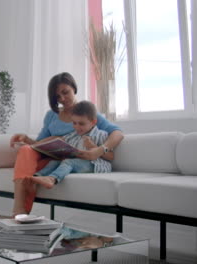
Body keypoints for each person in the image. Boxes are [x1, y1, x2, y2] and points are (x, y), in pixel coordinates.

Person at [9, 72, 123, 216]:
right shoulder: (51, 115)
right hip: (51, 158)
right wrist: (26, 139)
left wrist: (99, 150)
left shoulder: (86, 112)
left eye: (65, 92)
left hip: (71, 160)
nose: (62, 99)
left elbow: (117, 133)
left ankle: (19, 214)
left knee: (39, 165)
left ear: (74, 88)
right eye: (57, 96)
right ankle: (20, 207)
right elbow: (38, 144)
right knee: (26, 150)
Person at [32, 100, 112, 189]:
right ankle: (36, 177)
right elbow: (59, 140)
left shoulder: (101, 134)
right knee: (54, 162)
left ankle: (52, 179)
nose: (77, 127)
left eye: (81, 124)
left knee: (69, 162)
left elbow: (111, 156)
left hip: (95, 165)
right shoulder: (73, 135)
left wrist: (94, 147)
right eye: (74, 123)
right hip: (76, 163)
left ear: (93, 122)